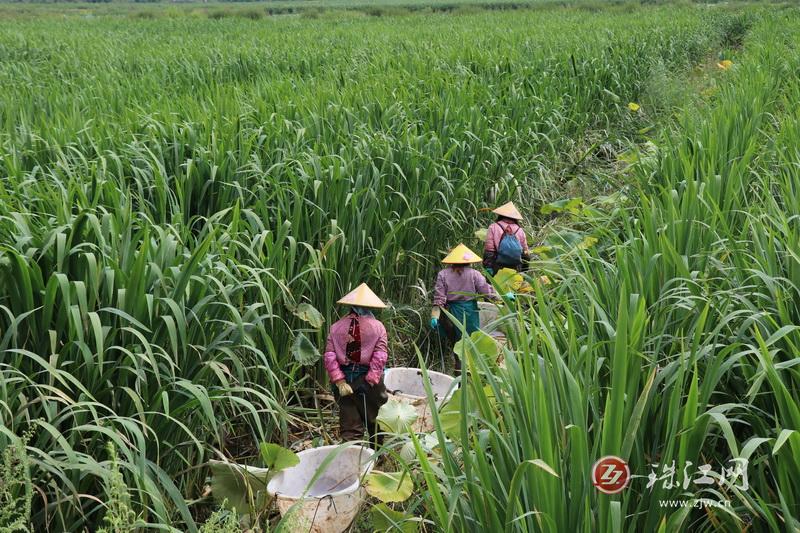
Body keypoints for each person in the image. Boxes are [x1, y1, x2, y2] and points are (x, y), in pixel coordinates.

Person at [323, 283, 389, 447]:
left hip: (344, 380)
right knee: (376, 419)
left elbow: (329, 356)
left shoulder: (336, 327)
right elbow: (380, 356)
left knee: (350, 424)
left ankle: (352, 462)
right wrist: (370, 380)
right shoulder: (378, 327)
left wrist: (339, 381)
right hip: (368, 379)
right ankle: (378, 457)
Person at [430, 244, 510, 372]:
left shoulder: (443, 274)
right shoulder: (474, 274)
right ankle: (469, 371)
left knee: (456, 343)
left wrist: (435, 316)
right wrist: (505, 297)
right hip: (469, 312)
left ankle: (458, 367)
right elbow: (488, 293)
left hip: (451, 313)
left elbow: (439, 300)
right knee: (470, 342)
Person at [483, 201, 530, 274]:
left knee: (496, 284)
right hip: (515, 266)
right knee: (513, 284)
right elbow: (525, 251)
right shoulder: (520, 230)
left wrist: (488, 267)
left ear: (500, 215)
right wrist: (524, 270)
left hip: (497, 264)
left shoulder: (493, 227)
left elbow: (489, 250)